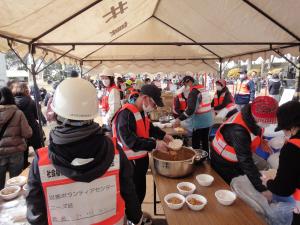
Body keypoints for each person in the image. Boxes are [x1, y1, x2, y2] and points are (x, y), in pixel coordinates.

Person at [26, 78, 145, 225]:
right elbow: (129, 192)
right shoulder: (114, 150)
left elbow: (36, 213)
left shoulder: (41, 162)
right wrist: (137, 219)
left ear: (57, 114)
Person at [112, 85, 173, 220]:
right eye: (154, 103)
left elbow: (149, 128)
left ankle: (137, 217)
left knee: (140, 193)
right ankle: (132, 220)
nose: (155, 107)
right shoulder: (125, 114)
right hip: (129, 165)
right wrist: (155, 144)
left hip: (140, 162)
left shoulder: (141, 112)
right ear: (145, 98)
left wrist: (163, 136)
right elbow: (130, 141)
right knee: (132, 197)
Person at [211, 96, 278, 196]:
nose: (268, 125)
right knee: (230, 190)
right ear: (258, 116)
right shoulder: (238, 130)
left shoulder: (252, 115)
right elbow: (246, 162)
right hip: (223, 162)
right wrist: (261, 188)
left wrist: (261, 141)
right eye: (267, 121)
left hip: (238, 157)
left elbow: (255, 131)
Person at [261, 101, 300, 225]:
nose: (283, 132)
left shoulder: (292, 149)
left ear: (293, 126)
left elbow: (284, 188)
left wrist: (268, 182)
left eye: (283, 128)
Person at [0, 87, 32, 189]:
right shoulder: (18, 113)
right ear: (11, 97)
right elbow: (27, 133)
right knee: (16, 185)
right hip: (16, 152)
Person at [174, 76, 213, 153]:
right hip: (208, 120)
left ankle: (197, 160)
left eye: (185, 84)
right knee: (205, 142)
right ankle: (205, 159)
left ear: (189, 82)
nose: (185, 87)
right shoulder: (202, 88)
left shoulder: (194, 92)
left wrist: (179, 119)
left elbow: (191, 109)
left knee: (196, 144)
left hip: (199, 122)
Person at [12, 82, 43, 167]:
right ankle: (40, 166)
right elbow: (38, 117)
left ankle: (25, 165)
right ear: (26, 90)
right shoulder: (31, 101)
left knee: (23, 152)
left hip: (19, 132)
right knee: (39, 151)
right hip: (33, 129)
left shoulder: (12, 103)